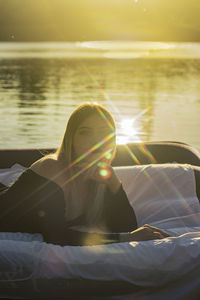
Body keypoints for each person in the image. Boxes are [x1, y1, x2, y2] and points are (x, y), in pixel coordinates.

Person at [0, 103, 177, 245]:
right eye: (85, 132)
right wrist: (128, 239)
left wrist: (114, 183)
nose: (96, 141)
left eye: (104, 133)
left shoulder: (97, 174)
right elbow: (56, 237)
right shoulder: (52, 168)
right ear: (71, 138)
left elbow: (125, 225)